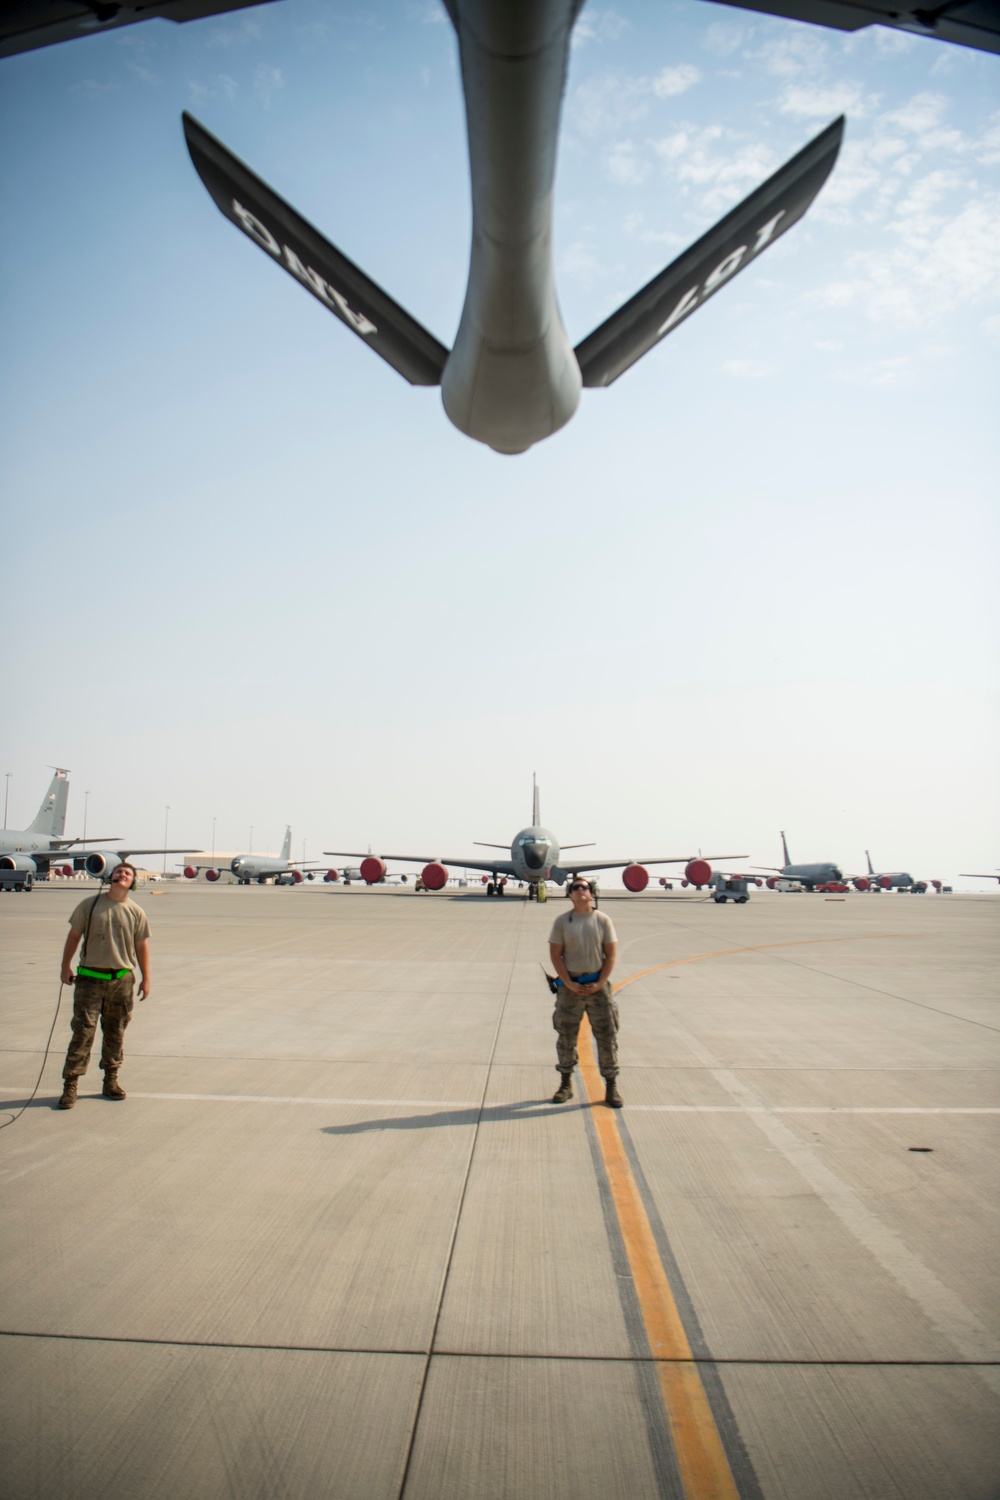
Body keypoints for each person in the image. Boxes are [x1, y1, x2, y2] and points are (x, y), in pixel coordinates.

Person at [58, 862, 151, 1109]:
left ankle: (111, 1079)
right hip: (90, 979)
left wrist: (146, 978)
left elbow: (141, 946)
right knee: (83, 1032)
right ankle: (71, 1084)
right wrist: (65, 966)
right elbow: (74, 936)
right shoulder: (89, 906)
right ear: (111, 877)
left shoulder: (136, 911)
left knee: (116, 1032)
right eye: (119, 871)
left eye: (128, 873)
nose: (122, 874)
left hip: (122, 980)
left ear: (134, 882)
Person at [548, 878, 621, 1107]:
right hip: (571, 987)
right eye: (575, 888)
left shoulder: (602, 920)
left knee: (607, 1036)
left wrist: (601, 983)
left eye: (584, 888)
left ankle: (611, 1086)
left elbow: (611, 955)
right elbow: (555, 955)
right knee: (566, 1036)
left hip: (597, 986)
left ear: (592, 893)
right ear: (569, 895)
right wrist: (568, 983)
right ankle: (566, 1083)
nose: (580, 890)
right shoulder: (562, 922)